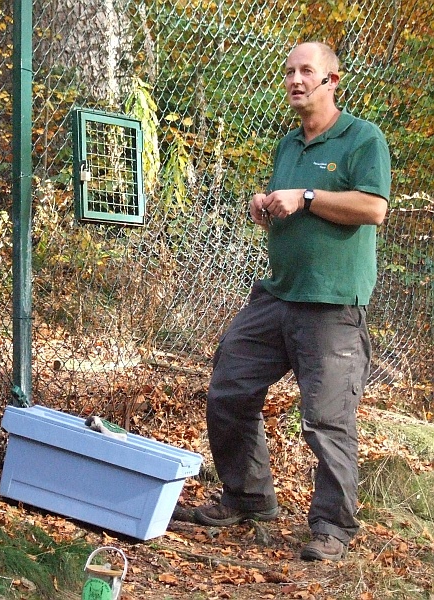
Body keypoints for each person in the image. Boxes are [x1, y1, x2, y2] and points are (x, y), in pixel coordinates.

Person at [194, 41, 391, 562]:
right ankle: (248, 497)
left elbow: (372, 208)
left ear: (333, 81)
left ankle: (332, 527)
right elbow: (287, 202)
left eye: (308, 71)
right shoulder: (288, 145)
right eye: (289, 73)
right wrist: (264, 204)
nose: (296, 80)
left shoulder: (362, 139)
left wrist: (305, 198)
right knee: (229, 389)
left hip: (332, 306)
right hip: (276, 296)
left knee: (327, 421)